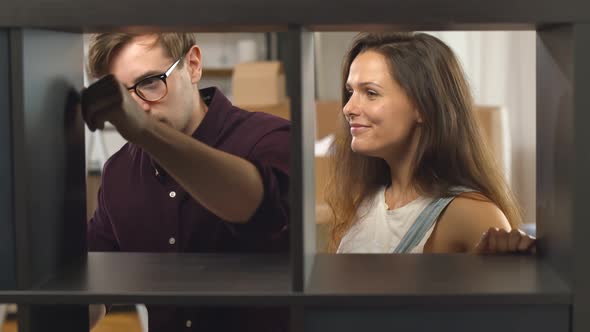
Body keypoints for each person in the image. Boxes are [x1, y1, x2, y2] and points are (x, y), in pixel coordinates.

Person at [83, 33, 290, 332]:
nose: (138, 108)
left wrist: (145, 132)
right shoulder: (119, 173)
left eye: (150, 82)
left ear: (193, 65)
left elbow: (255, 206)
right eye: (123, 98)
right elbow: (92, 292)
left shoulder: (268, 138)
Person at [325, 32, 536, 255]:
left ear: (423, 107)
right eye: (351, 92)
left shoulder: (472, 215)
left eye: (370, 93)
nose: (348, 108)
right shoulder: (366, 201)